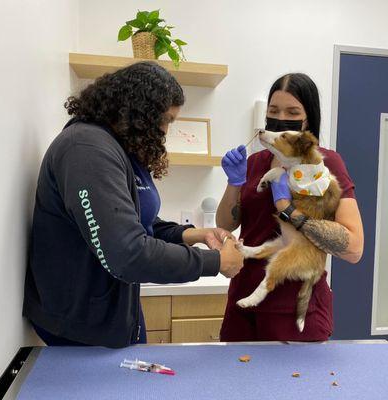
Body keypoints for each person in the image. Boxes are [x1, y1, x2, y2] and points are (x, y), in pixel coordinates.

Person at [23, 62, 244, 348]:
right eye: (165, 120)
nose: (165, 131)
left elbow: (136, 220)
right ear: (138, 111)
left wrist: (190, 234)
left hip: (113, 314)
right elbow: (127, 253)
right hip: (79, 327)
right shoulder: (86, 151)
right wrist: (216, 262)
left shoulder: (116, 148)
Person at [216, 73, 364, 342]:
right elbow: (226, 224)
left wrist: (289, 211)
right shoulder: (254, 163)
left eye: (292, 111)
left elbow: (354, 248)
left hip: (296, 307)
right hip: (243, 303)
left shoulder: (327, 165)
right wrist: (234, 183)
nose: (280, 117)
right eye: (273, 111)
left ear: (308, 118)